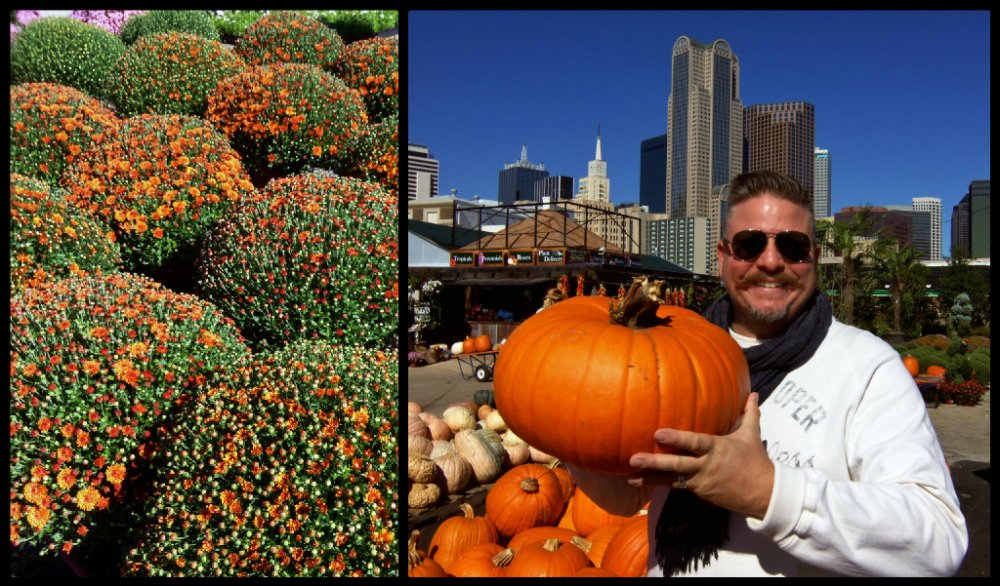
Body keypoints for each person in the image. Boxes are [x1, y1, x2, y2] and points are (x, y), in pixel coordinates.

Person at [567, 170, 968, 577]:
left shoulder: (867, 367)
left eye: (792, 246)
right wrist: (568, 423)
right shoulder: (667, 351)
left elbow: (938, 541)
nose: (771, 261)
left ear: (812, 258)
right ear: (723, 257)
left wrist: (767, 491)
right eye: (749, 243)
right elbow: (624, 498)